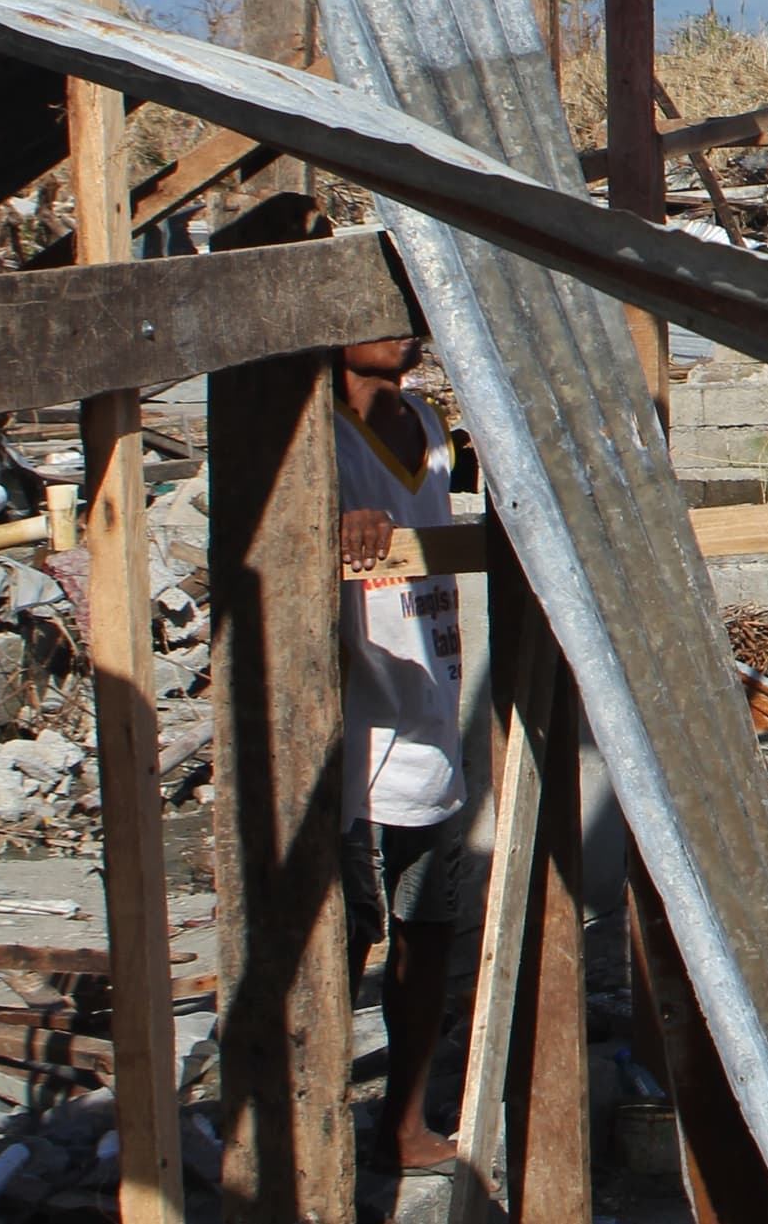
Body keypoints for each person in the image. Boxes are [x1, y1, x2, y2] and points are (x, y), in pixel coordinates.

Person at [336, 331, 471, 1173]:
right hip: (354, 723)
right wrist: (331, 521)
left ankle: (404, 1119)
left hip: (429, 714)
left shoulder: (424, 423)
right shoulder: (318, 439)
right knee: (346, 928)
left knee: (427, 926)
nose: (405, 330)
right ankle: (313, 1114)